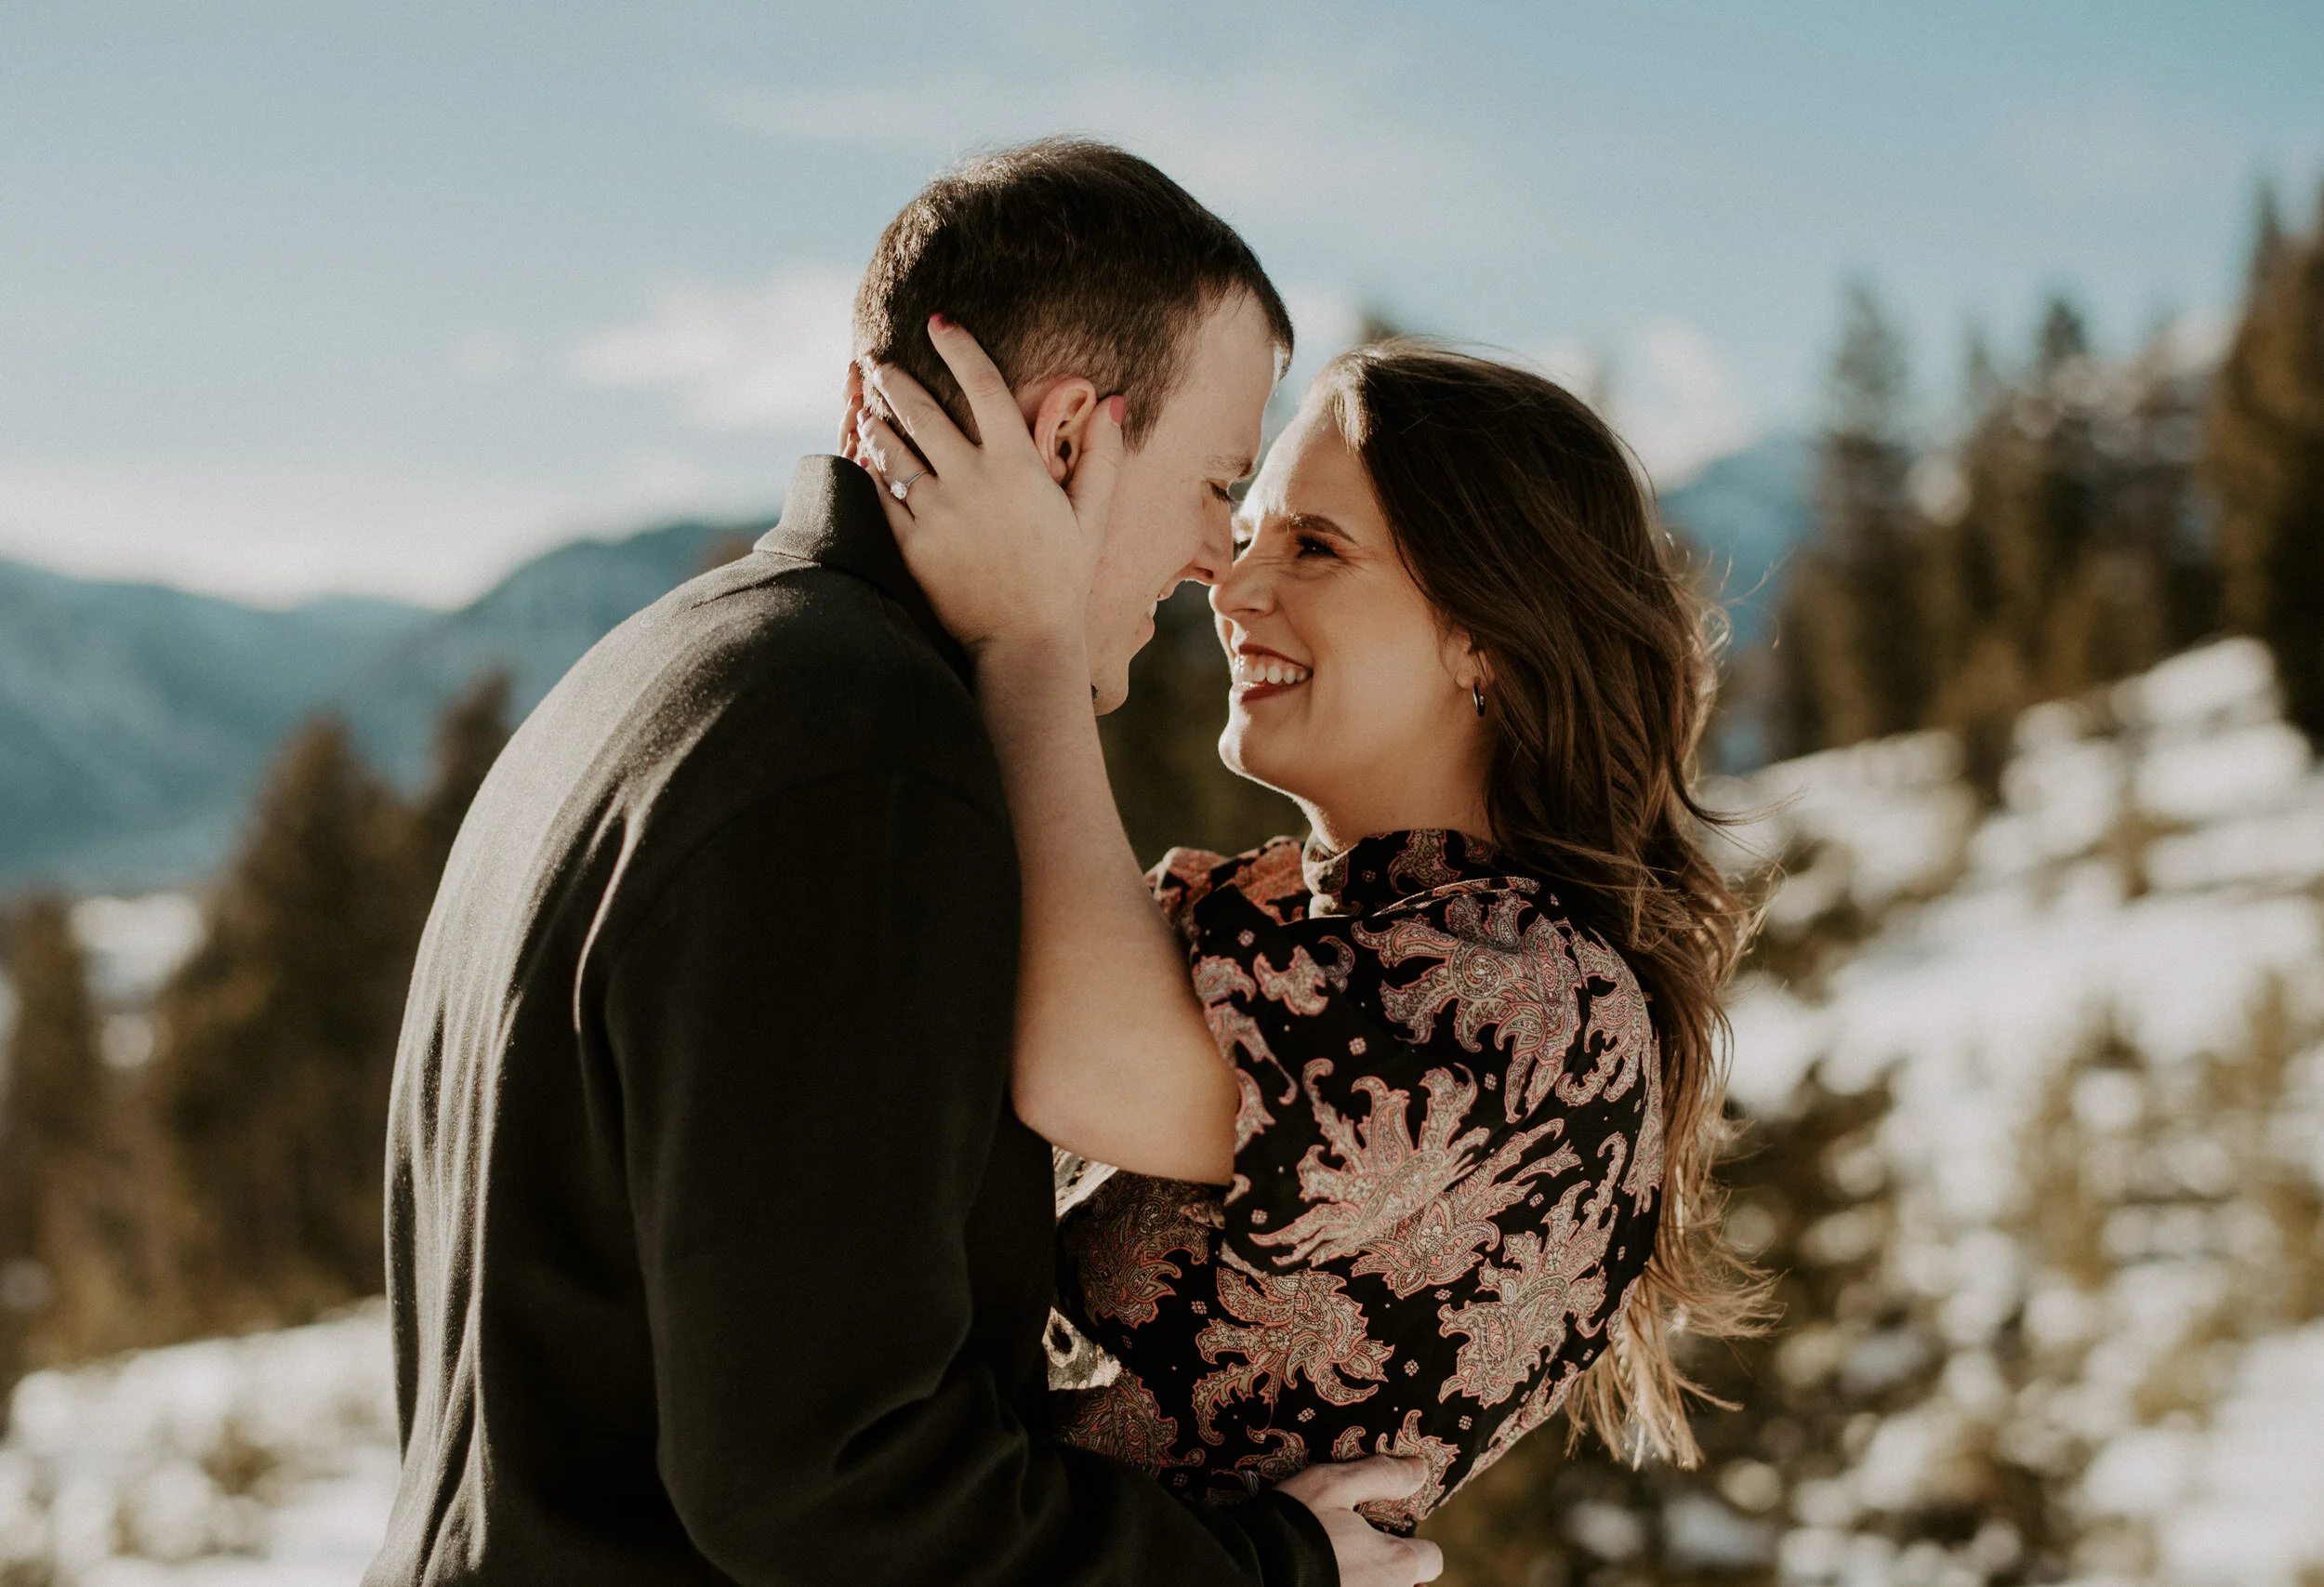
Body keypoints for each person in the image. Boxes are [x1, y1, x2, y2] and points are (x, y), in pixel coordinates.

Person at [368, 139, 1439, 1587]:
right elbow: (830, 1479)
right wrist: (1261, 1567)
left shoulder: (666, 673)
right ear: (1067, 438)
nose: (1212, 559)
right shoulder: (863, 756)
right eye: (1214, 483)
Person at [850, 325, 1767, 1533]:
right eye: (1245, 536)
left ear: (1484, 633)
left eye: (1314, 546)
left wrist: (1030, 636)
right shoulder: (1330, 930)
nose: (1231, 587)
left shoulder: (1534, 999)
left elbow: (1081, 1060)